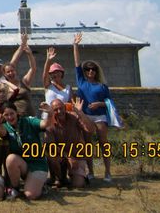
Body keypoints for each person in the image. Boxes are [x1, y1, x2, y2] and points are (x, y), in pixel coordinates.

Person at [74, 32, 113, 182]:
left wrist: (99, 104)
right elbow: (77, 63)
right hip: (86, 115)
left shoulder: (102, 86)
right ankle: (90, 171)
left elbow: (109, 102)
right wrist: (75, 45)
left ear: (96, 71)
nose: (90, 72)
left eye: (93, 70)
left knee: (104, 143)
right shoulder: (82, 82)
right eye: (88, 70)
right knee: (88, 144)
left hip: (100, 116)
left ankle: (108, 172)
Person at [2, 101, 53, 200]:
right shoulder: (5, 127)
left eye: (12, 113)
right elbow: (1, 132)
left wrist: (49, 114)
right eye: (6, 115)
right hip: (24, 165)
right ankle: (15, 189)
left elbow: (45, 124)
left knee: (30, 195)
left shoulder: (29, 121)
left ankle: (41, 186)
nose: (10, 117)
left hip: (38, 165)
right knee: (11, 159)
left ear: (16, 112)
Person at [46, 98, 95, 188]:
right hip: (61, 155)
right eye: (56, 110)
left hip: (77, 155)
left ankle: (76, 176)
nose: (59, 111)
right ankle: (59, 178)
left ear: (65, 107)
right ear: (52, 111)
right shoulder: (49, 123)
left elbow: (91, 129)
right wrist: (68, 157)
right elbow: (51, 146)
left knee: (78, 184)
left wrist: (81, 113)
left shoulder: (74, 117)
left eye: (61, 108)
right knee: (51, 155)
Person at [2, 34, 37, 117]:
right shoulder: (4, 87)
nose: (11, 73)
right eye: (8, 72)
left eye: (12, 71)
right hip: (15, 120)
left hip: (30, 118)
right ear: (5, 74)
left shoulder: (24, 81)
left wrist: (29, 54)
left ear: (15, 71)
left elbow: (33, 68)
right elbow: (13, 61)